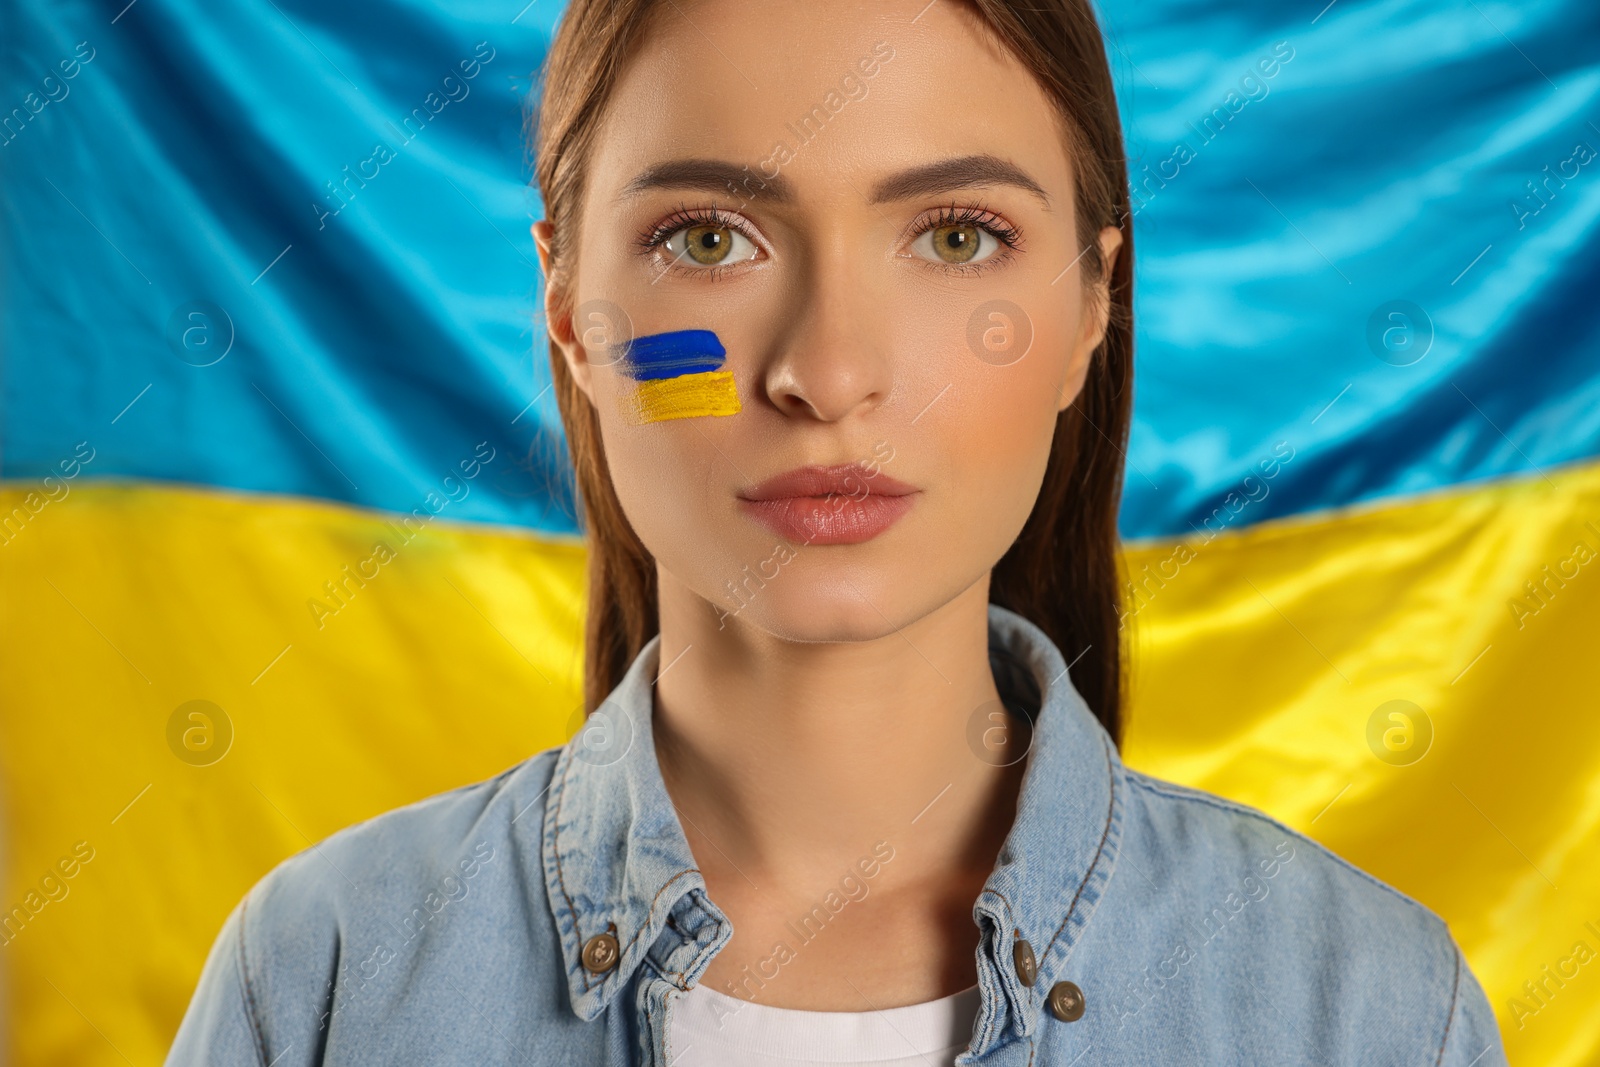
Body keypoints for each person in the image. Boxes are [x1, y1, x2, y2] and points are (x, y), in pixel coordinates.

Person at [167, 0, 1508, 1063]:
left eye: (956, 238)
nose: (829, 369)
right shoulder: (322, 980)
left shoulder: (1372, 1013)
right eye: (707, 238)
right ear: (570, 309)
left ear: (1094, 306)